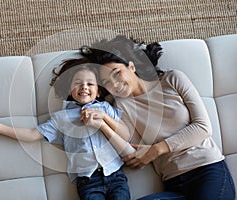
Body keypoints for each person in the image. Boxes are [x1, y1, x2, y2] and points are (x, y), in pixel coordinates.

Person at [79, 35, 236, 200]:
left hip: (207, 171)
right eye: (107, 82)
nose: (114, 84)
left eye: (117, 73)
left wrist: (156, 150)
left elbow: (203, 128)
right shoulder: (120, 106)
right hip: (174, 184)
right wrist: (103, 123)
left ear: (131, 66)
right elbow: (134, 154)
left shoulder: (172, 79)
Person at [0, 59, 135, 200]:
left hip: (115, 175)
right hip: (88, 181)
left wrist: (104, 118)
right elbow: (32, 134)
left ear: (99, 91)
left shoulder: (105, 108)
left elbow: (124, 132)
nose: (84, 87)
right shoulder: (61, 118)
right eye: (78, 83)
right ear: (69, 90)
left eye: (90, 84)